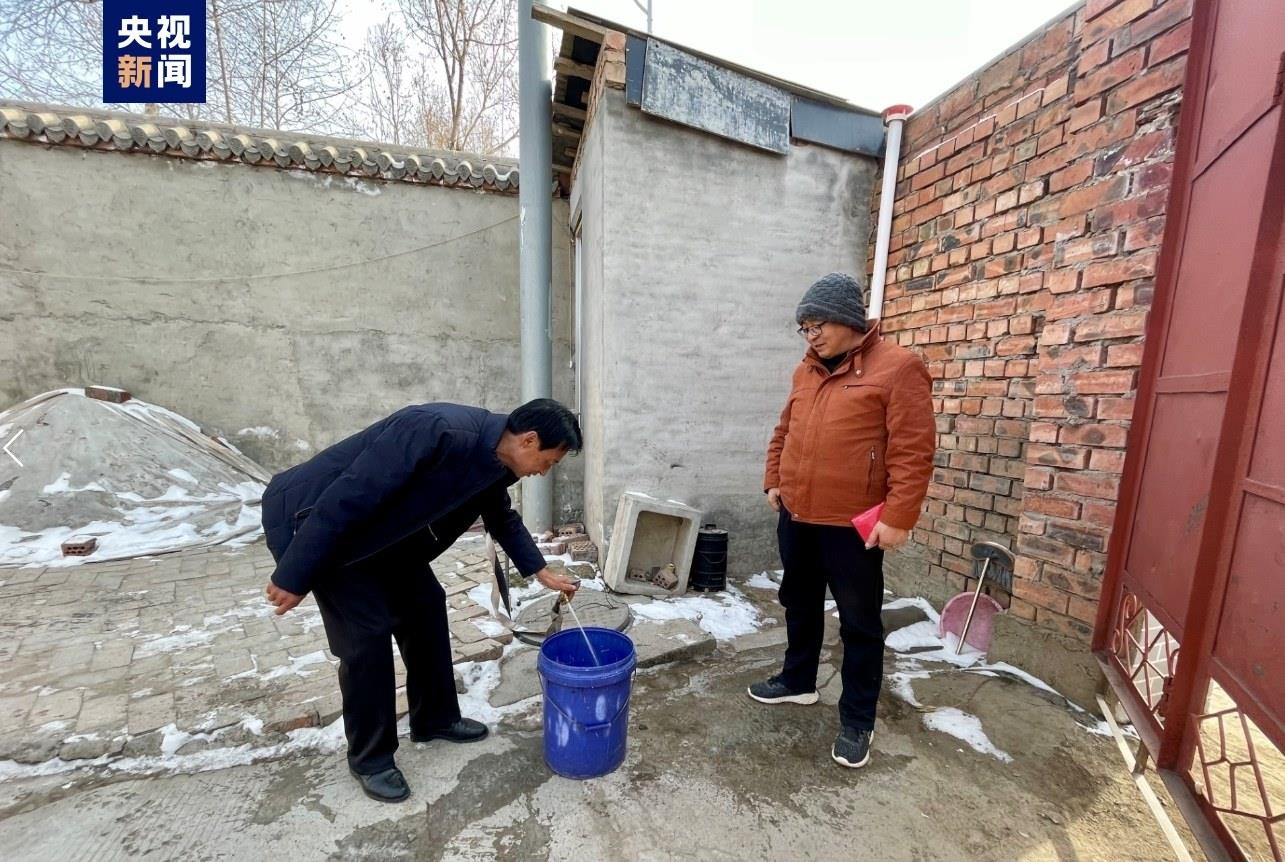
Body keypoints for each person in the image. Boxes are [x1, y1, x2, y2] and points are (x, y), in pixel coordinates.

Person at [261, 398, 582, 802]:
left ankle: (434, 718)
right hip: (318, 526)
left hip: (387, 539)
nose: (544, 472)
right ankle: (371, 759)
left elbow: (501, 517)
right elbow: (352, 493)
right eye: (549, 462)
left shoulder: (496, 462)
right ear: (529, 440)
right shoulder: (435, 430)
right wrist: (294, 572)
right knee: (366, 639)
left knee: (425, 606)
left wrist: (540, 571)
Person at [752, 272, 935, 769]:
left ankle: (857, 720)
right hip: (797, 514)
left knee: (859, 623)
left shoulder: (899, 368)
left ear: (848, 320)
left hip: (852, 526)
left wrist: (898, 516)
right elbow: (784, 430)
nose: (810, 335)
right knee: (798, 602)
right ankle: (798, 681)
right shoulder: (805, 371)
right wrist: (774, 480)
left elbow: (914, 451)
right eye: (804, 327)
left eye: (818, 325)